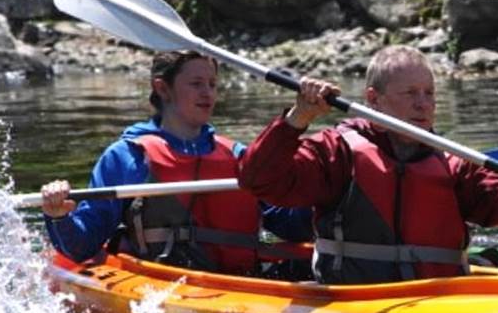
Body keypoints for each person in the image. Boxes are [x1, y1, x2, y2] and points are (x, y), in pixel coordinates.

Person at [237, 45, 498, 284]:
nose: (423, 104)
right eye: (410, 93)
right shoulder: (340, 152)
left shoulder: (452, 162)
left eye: (429, 93)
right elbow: (258, 180)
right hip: (356, 302)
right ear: (374, 100)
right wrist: (298, 118)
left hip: (439, 303)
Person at [41, 50, 311, 275]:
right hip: (158, 283)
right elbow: (82, 245)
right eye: (196, 84)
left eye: (212, 84)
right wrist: (59, 216)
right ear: (163, 88)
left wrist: (318, 193)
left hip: (239, 284)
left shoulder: (238, 155)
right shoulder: (127, 157)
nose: (208, 93)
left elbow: (290, 227)